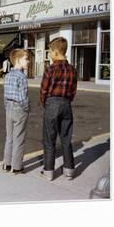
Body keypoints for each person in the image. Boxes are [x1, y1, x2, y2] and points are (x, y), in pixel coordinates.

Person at [39, 37, 78, 181]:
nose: (49, 54)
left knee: (49, 139)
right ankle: (69, 170)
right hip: (66, 104)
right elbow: (73, 90)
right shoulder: (72, 70)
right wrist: (66, 101)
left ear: (55, 52)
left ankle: (48, 171)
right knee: (66, 138)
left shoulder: (50, 69)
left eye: (49, 51)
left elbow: (44, 90)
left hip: (52, 104)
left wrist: (46, 103)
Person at [2, 48, 30, 174]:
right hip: (19, 108)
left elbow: (4, 95)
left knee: (9, 137)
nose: (28, 61)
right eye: (26, 58)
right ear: (18, 60)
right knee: (19, 138)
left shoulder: (7, 76)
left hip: (9, 107)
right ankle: (16, 166)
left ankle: (6, 164)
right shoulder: (22, 77)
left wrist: (7, 106)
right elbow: (23, 97)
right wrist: (27, 108)